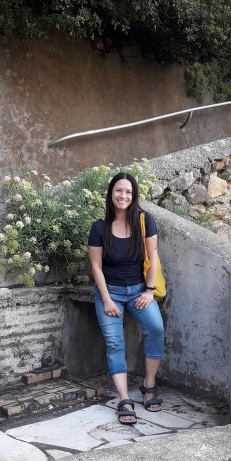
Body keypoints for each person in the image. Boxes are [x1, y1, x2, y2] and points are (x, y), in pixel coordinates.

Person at [88, 173, 165, 425]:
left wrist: (149, 291)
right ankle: (124, 398)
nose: (123, 196)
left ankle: (148, 384)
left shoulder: (145, 220)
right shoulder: (99, 228)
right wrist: (107, 299)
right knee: (114, 342)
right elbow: (96, 267)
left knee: (156, 328)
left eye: (128, 192)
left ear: (134, 195)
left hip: (139, 291)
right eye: (119, 191)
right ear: (111, 193)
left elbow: (152, 259)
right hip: (109, 292)